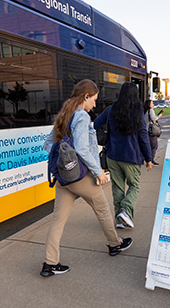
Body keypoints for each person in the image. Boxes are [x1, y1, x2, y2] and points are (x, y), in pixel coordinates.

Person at [41, 79, 132, 277]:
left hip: (63, 177)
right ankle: (114, 244)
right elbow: (82, 148)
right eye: (94, 99)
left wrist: (64, 158)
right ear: (86, 96)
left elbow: (48, 144)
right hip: (81, 177)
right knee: (102, 208)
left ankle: (50, 263)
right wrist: (98, 172)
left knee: (58, 220)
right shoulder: (81, 116)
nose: (94, 104)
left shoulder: (64, 113)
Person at [94, 82, 153, 230]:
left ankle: (119, 220)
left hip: (113, 156)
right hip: (131, 157)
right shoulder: (138, 111)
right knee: (134, 185)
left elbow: (95, 124)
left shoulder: (110, 109)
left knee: (118, 188)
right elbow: (143, 135)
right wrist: (148, 157)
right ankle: (126, 211)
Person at [143, 100, 162, 166]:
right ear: (149, 104)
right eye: (152, 103)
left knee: (149, 145)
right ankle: (151, 160)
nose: (153, 104)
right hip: (151, 131)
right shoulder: (151, 110)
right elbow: (154, 118)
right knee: (154, 146)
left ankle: (147, 158)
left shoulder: (145, 111)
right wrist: (159, 116)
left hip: (146, 130)